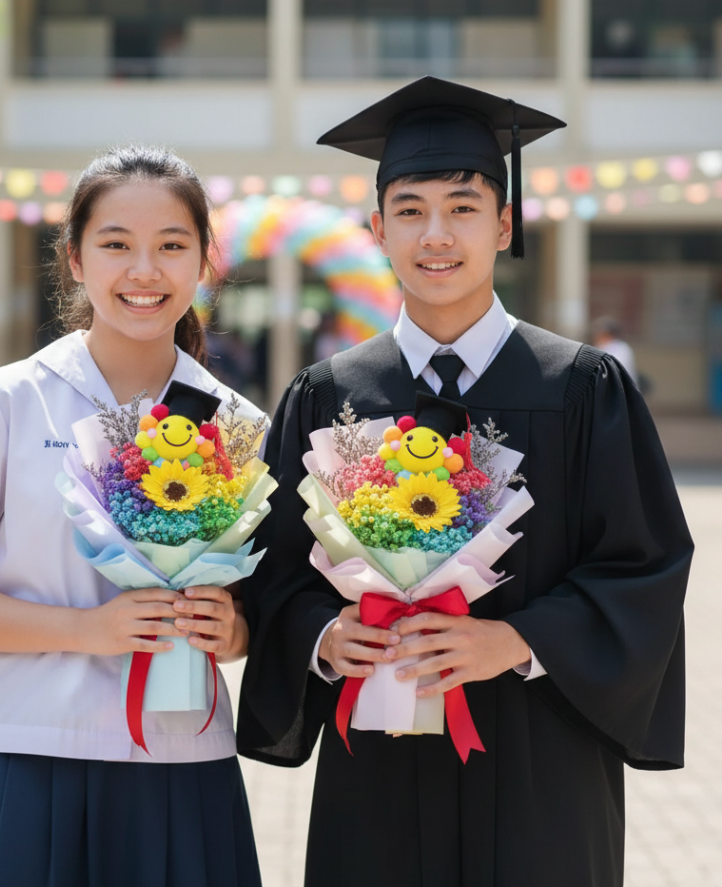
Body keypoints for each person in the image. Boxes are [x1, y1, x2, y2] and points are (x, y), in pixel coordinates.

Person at [238, 76, 691, 887]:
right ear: (377, 228)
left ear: (504, 224)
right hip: (374, 753)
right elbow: (268, 574)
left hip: (542, 757)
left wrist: (516, 640)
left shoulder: (582, 389)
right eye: (408, 209)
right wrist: (323, 637)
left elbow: (644, 566)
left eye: (462, 205)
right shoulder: (326, 395)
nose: (434, 233)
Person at [0, 145, 263, 887]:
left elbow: (258, 609)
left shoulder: (240, 425)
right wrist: (85, 630)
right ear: (74, 259)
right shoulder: (3, 402)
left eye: (171, 246)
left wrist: (233, 630)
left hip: (178, 757)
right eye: (115, 245)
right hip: (27, 753)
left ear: (204, 263)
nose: (144, 271)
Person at [591, 315, 639, 385]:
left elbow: (613, 370)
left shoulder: (621, 348)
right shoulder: (598, 347)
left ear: (607, 334)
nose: (596, 336)